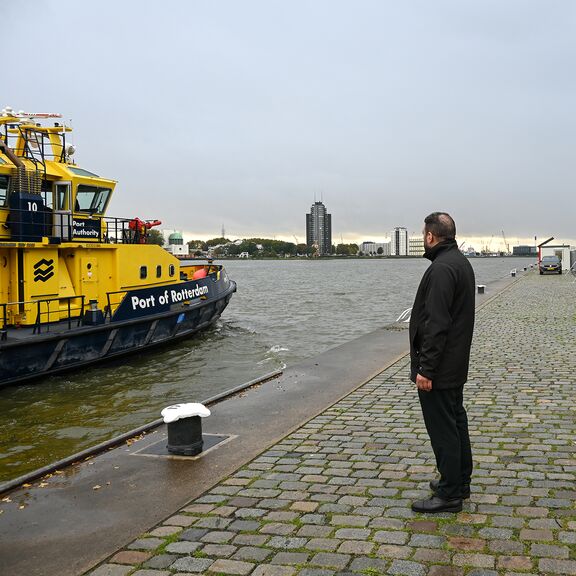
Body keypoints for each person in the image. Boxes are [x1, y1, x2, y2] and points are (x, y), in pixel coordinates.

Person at [409, 212, 475, 514]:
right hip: (455, 364)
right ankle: (459, 481)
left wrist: (426, 369)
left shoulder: (441, 269)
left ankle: (449, 494)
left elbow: (436, 324)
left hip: (440, 369)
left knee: (443, 429)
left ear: (430, 236)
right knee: (456, 422)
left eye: (424, 234)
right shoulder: (460, 263)